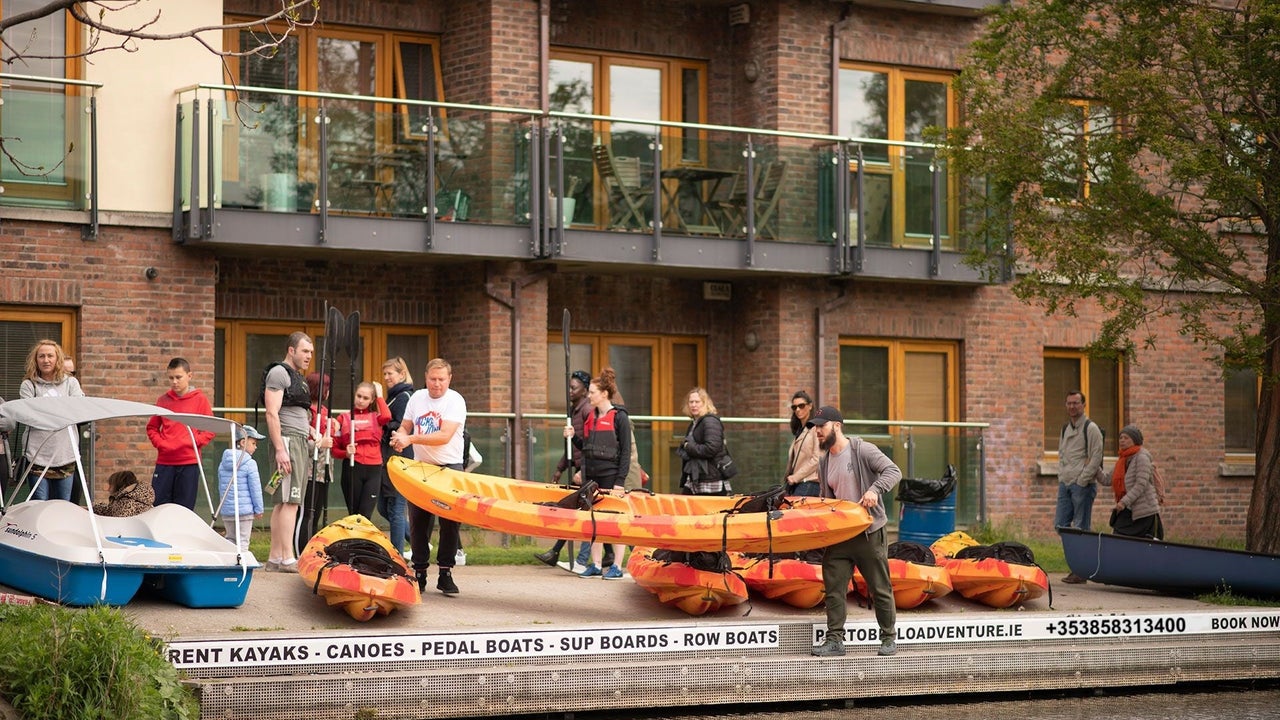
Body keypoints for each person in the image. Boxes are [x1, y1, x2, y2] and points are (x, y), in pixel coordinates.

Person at [807, 405, 901, 658]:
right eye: (815, 427)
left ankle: (888, 638)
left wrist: (874, 489)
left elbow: (894, 471)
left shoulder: (862, 450)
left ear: (836, 426)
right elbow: (827, 498)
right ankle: (835, 640)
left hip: (869, 532)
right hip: (840, 534)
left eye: (821, 426)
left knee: (879, 586)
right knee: (834, 588)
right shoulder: (824, 462)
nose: (817, 431)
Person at [390, 358, 466, 595]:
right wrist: (399, 437)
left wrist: (410, 439)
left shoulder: (455, 400)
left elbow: (444, 436)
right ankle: (419, 572)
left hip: (449, 466)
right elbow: (406, 426)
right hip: (421, 467)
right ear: (425, 378)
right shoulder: (417, 398)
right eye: (433, 379)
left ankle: (445, 572)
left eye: (442, 379)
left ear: (449, 379)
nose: (437, 384)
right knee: (419, 522)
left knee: (450, 522)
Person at [264, 332, 329, 574]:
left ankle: (275, 557)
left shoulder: (297, 378)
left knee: (284, 501)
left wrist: (311, 429)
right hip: (288, 443)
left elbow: (295, 412)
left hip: (298, 441)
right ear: (291, 350)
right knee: (290, 501)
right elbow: (272, 413)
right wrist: (281, 449)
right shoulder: (279, 373)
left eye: (311, 352)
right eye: (305, 351)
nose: (309, 356)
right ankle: (287, 557)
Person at [567, 368, 631, 580]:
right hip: (591, 476)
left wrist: (619, 482)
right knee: (593, 520)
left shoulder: (619, 417)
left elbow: (625, 453)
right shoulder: (591, 417)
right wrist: (573, 437)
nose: (589, 395)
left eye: (592, 392)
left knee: (614, 521)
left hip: (611, 476)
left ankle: (616, 567)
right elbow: (585, 446)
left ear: (604, 394)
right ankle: (595, 565)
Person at [535, 369, 593, 568]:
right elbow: (571, 447)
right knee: (576, 511)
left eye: (574, 388)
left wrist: (583, 471)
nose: (570, 391)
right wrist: (560, 469)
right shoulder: (574, 411)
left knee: (581, 512)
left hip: (587, 471)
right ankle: (610, 555)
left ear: (585, 390)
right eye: (569, 387)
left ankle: (570, 555)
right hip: (578, 468)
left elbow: (588, 444)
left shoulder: (586, 411)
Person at [146, 357, 216, 511]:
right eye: (171, 378)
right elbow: (152, 427)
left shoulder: (200, 400)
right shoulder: (163, 400)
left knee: (184, 509)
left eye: (178, 377)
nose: (174, 382)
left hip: (189, 462)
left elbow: (210, 429)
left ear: (189, 376)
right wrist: (161, 444)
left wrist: (192, 442)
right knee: (159, 507)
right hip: (165, 462)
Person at [18, 339, 84, 501]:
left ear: (57, 359)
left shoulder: (71, 383)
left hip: (65, 454)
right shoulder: (28, 385)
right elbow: (29, 416)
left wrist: (44, 411)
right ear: (36, 360)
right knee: (39, 505)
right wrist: (62, 412)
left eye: (50, 356)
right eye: (41, 356)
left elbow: (78, 411)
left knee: (63, 505)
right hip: (37, 456)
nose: (46, 360)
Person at [1057, 390, 1104, 584]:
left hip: (1082, 485)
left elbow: (1096, 456)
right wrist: (1063, 476)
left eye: (1076, 403)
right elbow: (1062, 455)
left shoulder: (1091, 428)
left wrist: (1082, 480)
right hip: (1065, 484)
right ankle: (1076, 567)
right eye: (1069, 403)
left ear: (1083, 404)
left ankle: (1081, 572)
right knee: (1061, 525)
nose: (1072, 406)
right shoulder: (1065, 428)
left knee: (1081, 529)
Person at [333, 381, 391, 518]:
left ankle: (362, 539)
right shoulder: (343, 418)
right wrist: (346, 453)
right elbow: (334, 449)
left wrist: (380, 396)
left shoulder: (376, 417)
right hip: (353, 467)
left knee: (365, 515)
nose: (360, 400)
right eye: (359, 396)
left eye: (365, 398)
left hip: (374, 469)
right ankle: (353, 539)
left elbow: (387, 416)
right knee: (353, 514)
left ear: (371, 400)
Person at [1098, 425, 1163, 539]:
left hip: (1144, 512)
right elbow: (1107, 480)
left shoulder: (1142, 457)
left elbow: (1140, 485)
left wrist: (1123, 502)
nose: (1122, 440)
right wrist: (1094, 466)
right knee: (1118, 539)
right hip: (1127, 509)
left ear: (1135, 440)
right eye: (1121, 437)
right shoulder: (1122, 460)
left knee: (1143, 546)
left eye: (1126, 438)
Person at [379, 357, 414, 555]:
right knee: (384, 508)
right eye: (384, 374)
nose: (386, 378)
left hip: (402, 458)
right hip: (388, 459)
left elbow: (401, 426)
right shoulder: (394, 396)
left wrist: (382, 423)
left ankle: (398, 556)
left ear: (402, 374)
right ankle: (419, 543)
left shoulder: (405, 397)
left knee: (396, 509)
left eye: (390, 373)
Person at [299, 371, 337, 545]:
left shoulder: (324, 411)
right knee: (307, 512)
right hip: (309, 470)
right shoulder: (306, 412)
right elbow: (302, 443)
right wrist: (321, 443)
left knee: (316, 513)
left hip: (324, 470)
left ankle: (312, 546)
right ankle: (302, 547)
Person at [217, 425, 266, 552]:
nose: (256, 447)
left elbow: (221, 486)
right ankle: (242, 566)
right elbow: (255, 488)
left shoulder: (223, 463)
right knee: (243, 541)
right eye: (253, 443)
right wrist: (258, 508)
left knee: (230, 540)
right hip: (245, 511)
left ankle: (230, 567)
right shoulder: (250, 463)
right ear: (243, 442)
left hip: (227, 511)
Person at [677, 387, 730, 496]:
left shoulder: (710, 421)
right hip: (696, 478)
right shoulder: (695, 422)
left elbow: (711, 449)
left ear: (705, 403)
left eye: (697, 402)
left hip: (711, 479)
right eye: (691, 402)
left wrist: (688, 447)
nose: (693, 405)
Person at [784, 390, 822, 496]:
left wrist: (795, 477)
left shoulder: (816, 429)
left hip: (809, 483)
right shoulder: (800, 431)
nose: (798, 409)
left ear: (810, 406)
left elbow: (817, 459)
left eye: (801, 406)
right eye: (794, 407)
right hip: (798, 483)